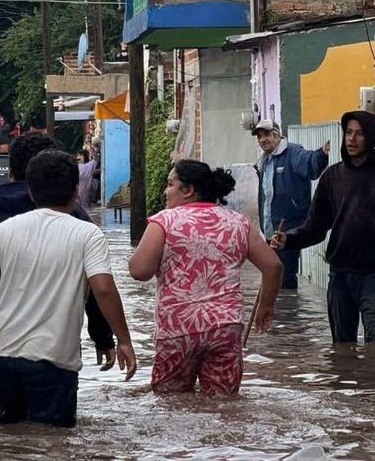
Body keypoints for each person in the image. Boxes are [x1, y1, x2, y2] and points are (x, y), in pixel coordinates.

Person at [0, 149, 136, 427]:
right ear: (75, 191)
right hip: (53, 359)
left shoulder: (6, 229)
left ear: (31, 193)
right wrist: (123, 340)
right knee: (52, 443)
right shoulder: (87, 233)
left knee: (7, 440)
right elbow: (103, 289)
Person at [129, 160, 283, 396]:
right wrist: (266, 306)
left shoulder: (164, 221)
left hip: (178, 329)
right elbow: (273, 267)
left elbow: (139, 271)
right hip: (226, 327)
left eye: (170, 184)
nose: (165, 191)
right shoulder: (238, 222)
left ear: (188, 190)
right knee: (224, 405)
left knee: (171, 405)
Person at [271, 111, 375, 342]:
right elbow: (315, 227)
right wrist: (289, 239)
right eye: (348, 133)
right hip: (340, 274)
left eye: (359, 134)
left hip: (372, 275)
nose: (352, 139)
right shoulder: (333, 177)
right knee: (342, 345)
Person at [252, 119, 329, 290]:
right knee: (272, 276)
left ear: (277, 135)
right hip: (270, 229)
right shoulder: (264, 160)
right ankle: (278, 313)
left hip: (289, 228)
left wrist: (322, 154)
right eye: (259, 137)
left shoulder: (293, 152)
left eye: (266, 135)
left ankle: (288, 313)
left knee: (286, 278)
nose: (262, 140)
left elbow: (310, 165)